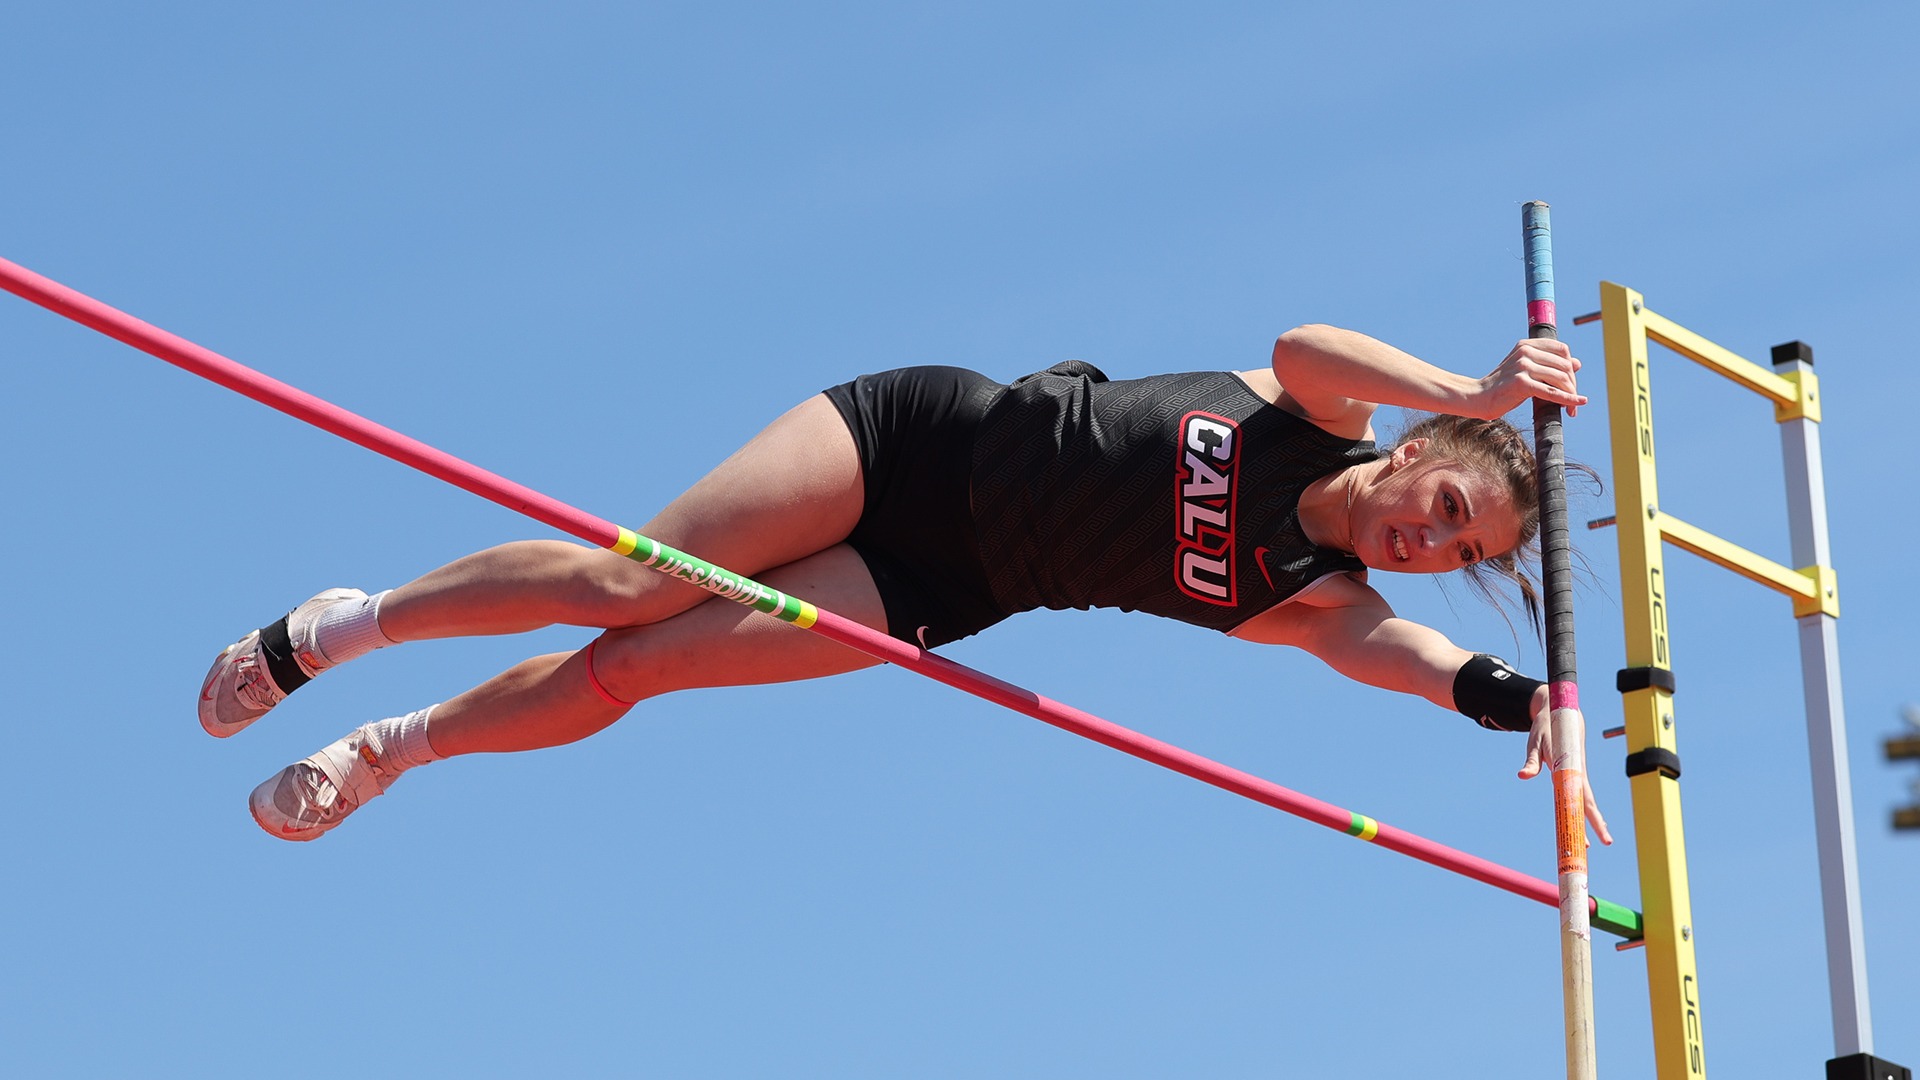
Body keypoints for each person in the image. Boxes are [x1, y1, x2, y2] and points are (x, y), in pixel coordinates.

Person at [201, 324, 1612, 846]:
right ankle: (334, 629)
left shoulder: (1317, 591)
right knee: (622, 584)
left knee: (641, 670)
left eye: (1464, 553)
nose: (1429, 546)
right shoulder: (1316, 408)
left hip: (949, 575)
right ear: (1421, 449)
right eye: (1444, 509)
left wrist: (1510, 700)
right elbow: (1317, 338)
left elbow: (1405, 658)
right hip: (916, 440)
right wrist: (1474, 382)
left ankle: (392, 751)